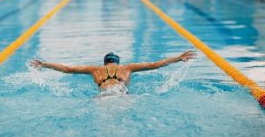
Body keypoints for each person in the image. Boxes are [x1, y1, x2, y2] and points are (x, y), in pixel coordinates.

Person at [30, 51, 196, 90]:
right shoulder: (126, 68)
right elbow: (155, 65)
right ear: (117, 62)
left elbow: (67, 69)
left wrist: (44, 64)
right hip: (121, 92)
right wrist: (179, 57)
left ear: (104, 63)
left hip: (102, 96)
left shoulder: (95, 69)